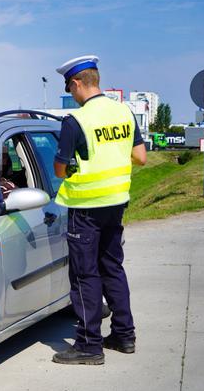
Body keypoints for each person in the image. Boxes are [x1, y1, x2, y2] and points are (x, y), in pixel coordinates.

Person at [51, 55, 147, 365]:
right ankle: (124, 335)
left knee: (84, 275)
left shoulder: (75, 121)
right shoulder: (124, 112)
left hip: (86, 207)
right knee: (112, 267)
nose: (71, 93)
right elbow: (141, 157)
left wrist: (77, 168)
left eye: (69, 87)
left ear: (77, 83)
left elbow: (59, 170)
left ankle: (89, 345)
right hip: (116, 203)